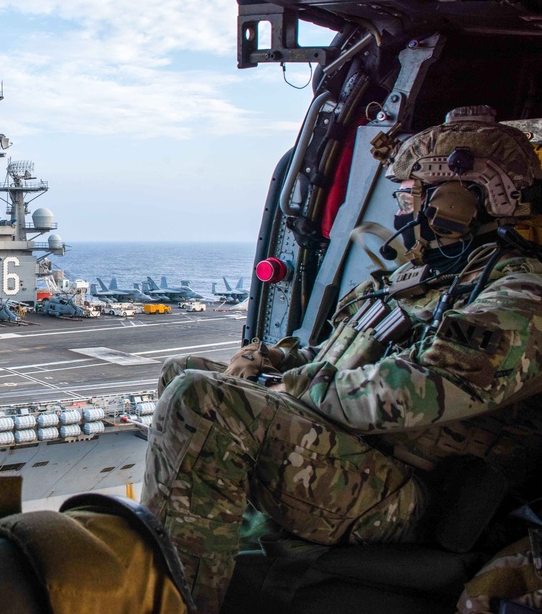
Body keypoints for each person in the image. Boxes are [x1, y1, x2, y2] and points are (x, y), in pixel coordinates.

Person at [143, 106, 542, 612]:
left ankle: (174, 603)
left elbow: (412, 391)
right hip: (360, 459)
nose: (403, 208)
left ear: (460, 200)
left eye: (411, 194)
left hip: (413, 495)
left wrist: (292, 387)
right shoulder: (424, 280)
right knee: (186, 373)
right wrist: (269, 358)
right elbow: (340, 353)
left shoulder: (520, 296)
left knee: (201, 401)